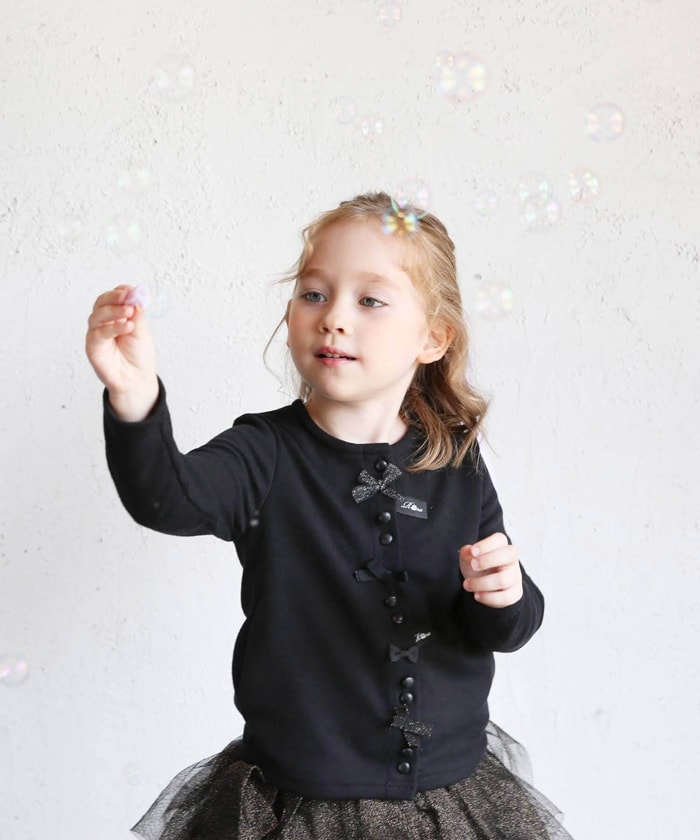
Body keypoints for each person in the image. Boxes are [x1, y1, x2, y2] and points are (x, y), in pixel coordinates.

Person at [86, 192, 573, 839]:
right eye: (314, 294)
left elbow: (505, 625)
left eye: (370, 300)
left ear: (433, 337)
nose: (334, 318)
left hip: (449, 800)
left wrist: (504, 596)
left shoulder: (454, 457)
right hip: (301, 805)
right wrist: (134, 396)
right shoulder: (264, 453)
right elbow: (167, 498)